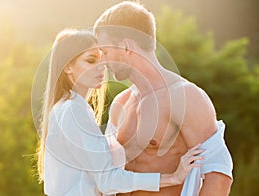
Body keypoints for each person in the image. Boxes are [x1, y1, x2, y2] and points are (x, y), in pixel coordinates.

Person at [35, 29, 203, 196]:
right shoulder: (73, 110)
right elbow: (108, 181)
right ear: (68, 67)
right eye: (91, 60)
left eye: (102, 59)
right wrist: (172, 178)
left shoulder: (66, 108)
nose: (101, 67)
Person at [94, 1, 233, 196]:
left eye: (105, 51)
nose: (102, 60)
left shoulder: (185, 98)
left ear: (126, 46)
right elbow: (107, 175)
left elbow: (219, 175)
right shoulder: (121, 103)